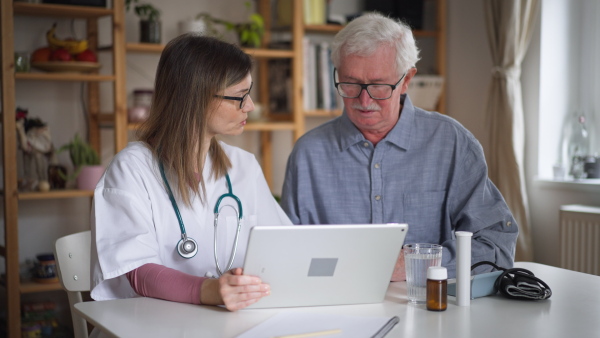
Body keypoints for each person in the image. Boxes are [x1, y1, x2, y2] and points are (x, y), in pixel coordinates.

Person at [280, 13, 518, 280]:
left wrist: (416, 263)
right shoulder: (308, 154)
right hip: (337, 306)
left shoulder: (451, 144)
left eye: (379, 86)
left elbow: (496, 245)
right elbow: (286, 256)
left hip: (430, 309)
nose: (364, 100)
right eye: (351, 84)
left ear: (406, 80)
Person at [90, 34, 291, 312]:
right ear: (196, 98)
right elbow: (137, 271)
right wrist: (210, 290)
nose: (250, 106)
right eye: (239, 97)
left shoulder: (243, 165)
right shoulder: (132, 168)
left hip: (227, 324)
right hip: (155, 325)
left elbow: (284, 246)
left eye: (249, 92)